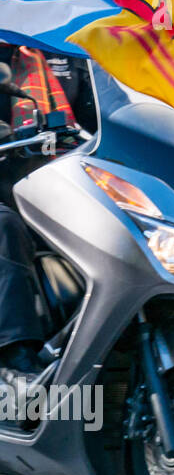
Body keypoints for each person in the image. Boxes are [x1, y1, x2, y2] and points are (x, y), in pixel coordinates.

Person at [0, 43, 96, 391]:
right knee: (4, 226)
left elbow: (106, 117)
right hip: (8, 201)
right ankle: (14, 363)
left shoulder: (61, 50)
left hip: (54, 184)